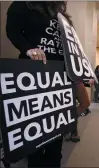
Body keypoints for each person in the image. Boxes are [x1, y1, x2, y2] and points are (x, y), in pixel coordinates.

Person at [6, 1, 90, 167]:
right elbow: (12, 31)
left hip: (60, 81)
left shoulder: (63, 18)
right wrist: (28, 49)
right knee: (35, 143)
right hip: (33, 78)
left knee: (55, 143)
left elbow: (70, 49)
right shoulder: (23, 5)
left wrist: (81, 72)